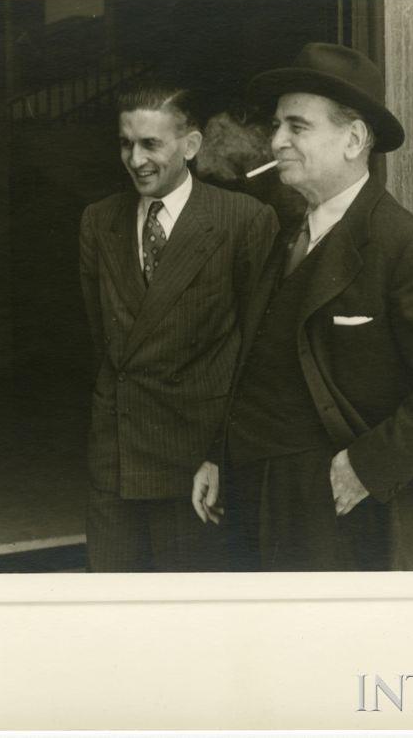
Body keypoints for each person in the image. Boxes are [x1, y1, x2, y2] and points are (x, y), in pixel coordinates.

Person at [191, 43, 413, 571]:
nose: (276, 140)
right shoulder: (289, 234)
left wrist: (366, 468)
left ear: (353, 139)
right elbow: (257, 362)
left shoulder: (404, 248)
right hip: (257, 495)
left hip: (339, 513)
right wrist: (219, 452)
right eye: (277, 125)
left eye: (296, 127)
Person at [78, 81, 277, 572]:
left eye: (151, 144)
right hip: (117, 456)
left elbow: (259, 349)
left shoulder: (243, 220)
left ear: (190, 146)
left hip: (197, 463)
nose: (135, 159)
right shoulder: (98, 221)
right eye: (126, 143)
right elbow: (99, 333)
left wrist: (223, 455)